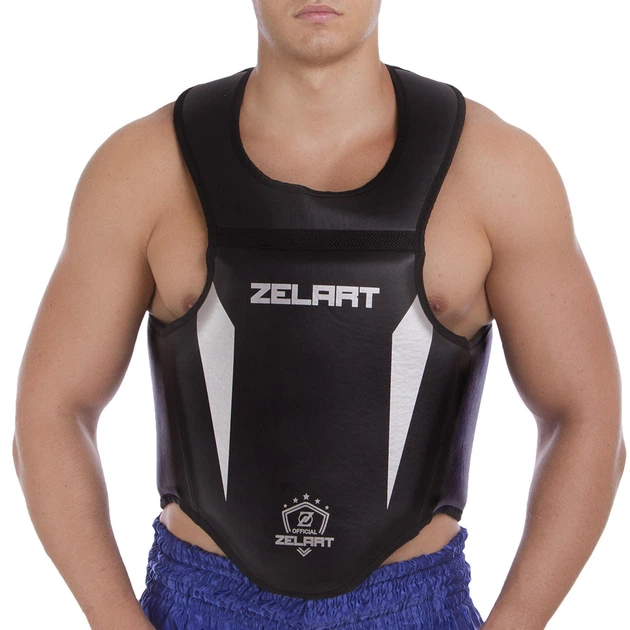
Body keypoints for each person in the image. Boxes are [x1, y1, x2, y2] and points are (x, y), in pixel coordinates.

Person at [13, 1, 625, 629]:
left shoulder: (498, 172)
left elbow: (586, 416)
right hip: (199, 602)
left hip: (412, 606)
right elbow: (52, 409)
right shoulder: (141, 169)